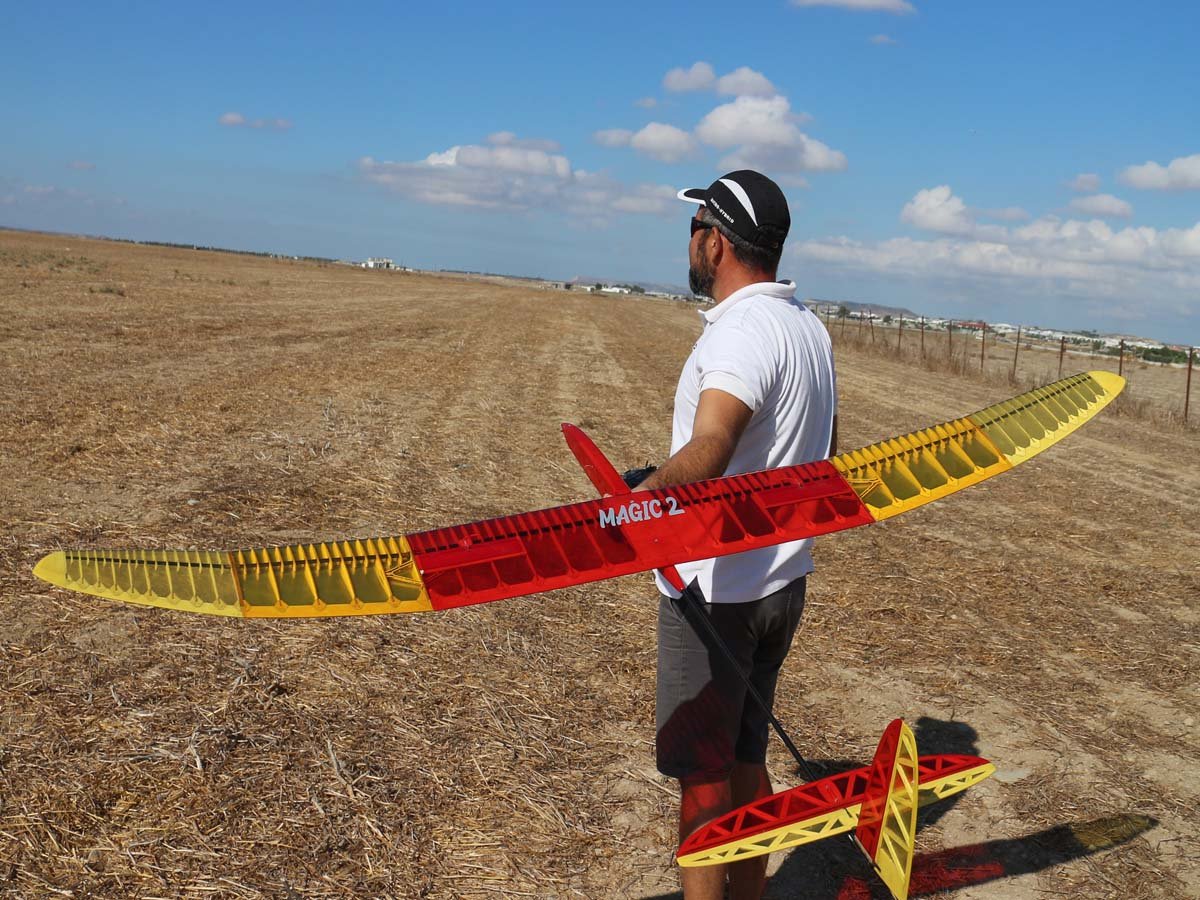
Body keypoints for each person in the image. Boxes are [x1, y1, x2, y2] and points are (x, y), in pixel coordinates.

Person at [633, 170, 838, 900]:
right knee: (748, 759)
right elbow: (824, 452)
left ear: (716, 242)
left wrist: (640, 504)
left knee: (703, 779)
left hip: (718, 592)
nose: (689, 244)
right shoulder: (807, 328)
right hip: (784, 585)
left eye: (695, 231)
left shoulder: (744, 331)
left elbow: (715, 441)